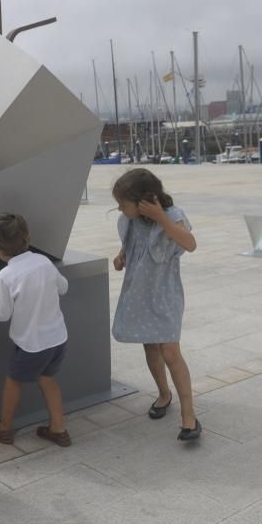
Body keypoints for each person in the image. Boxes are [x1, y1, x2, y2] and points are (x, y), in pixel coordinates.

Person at [0, 213, 71, 448]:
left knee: (14, 382)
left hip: (31, 345)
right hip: (57, 339)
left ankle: (4, 428)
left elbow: (0, 313)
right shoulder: (44, 262)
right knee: (48, 379)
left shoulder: (6, 275)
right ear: (27, 237)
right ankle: (59, 429)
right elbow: (63, 287)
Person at [111, 168, 201, 441]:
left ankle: (190, 415)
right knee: (150, 345)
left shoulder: (172, 217)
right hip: (139, 294)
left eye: (123, 203)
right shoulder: (129, 222)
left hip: (165, 295)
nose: (119, 208)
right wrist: (121, 256)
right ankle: (163, 393)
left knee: (171, 352)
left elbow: (190, 244)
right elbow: (133, 245)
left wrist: (161, 217)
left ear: (143, 202)